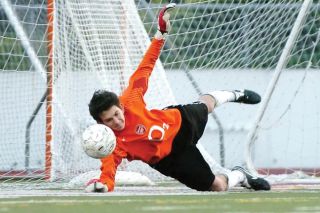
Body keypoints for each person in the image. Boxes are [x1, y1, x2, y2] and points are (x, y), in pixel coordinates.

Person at [85, 3, 271, 193]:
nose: (117, 121)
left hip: (180, 122)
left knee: (206, 105)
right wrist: (102, 186)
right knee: (218, 186)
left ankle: (234, 94)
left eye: (117, 113)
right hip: (171, 159)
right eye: (109, 120)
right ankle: (240, 175)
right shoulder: (111, 144)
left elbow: (146, 65)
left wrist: (161, 33)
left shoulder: (130, 98)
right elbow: (108, 174)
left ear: (120, 106)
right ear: (101, 123)